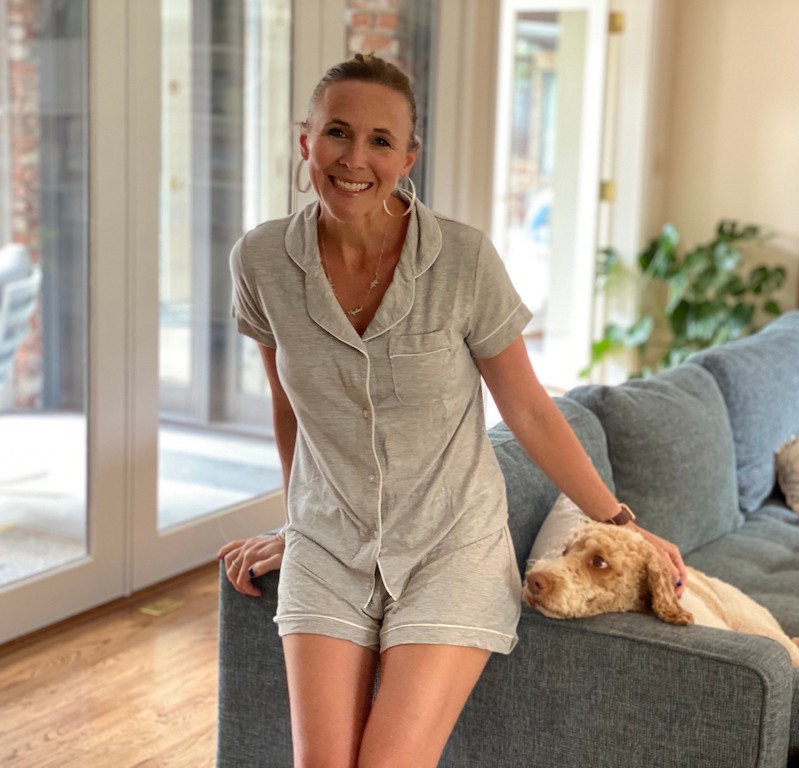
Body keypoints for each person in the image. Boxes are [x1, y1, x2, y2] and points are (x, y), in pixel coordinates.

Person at [217, 52, 686, 768]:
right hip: (329, 545)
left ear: (409, 156)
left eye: (381, 140)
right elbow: (291, 405)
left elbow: (527, 409)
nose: (355, 157)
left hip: (450, 547)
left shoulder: (464, 262)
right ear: (304, 140)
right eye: (337, 132)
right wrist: (295, 522)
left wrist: (622, 522)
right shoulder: (260, 263)